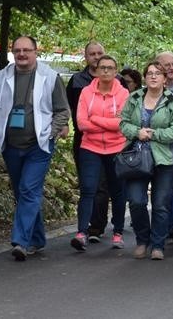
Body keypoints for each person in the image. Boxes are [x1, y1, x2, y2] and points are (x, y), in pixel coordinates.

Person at [0, 35, 70, 261]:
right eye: (17, 50)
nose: (22, 54)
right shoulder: (2, 77)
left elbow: (63, 111)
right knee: (22, 192)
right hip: (11, 145)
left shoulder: (50, 77)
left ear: (36, 52)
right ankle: (38, 239)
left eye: (26, 50)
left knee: (28, 190)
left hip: (39, 146)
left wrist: (50, 133)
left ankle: (20, 241)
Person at [121, 61, 173, 260]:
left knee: (161, 204)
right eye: (149, 73)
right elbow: (123, 123)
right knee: (137, 201)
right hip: (136, 157)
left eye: (158, 74)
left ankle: (157, 244)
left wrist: (153, 134)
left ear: (165, 79)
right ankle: (142, 240)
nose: (153, 76)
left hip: (164, 159)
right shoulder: (134, 98)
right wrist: (137, 132)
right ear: (145, 78)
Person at [66, 41, 126, 243]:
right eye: (102, 68)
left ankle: (118, 231)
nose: (106, 71)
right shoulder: (84, 89)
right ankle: (83, 231)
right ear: (97, 70)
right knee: (89, 189)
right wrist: (108, 123)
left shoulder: (123, 92)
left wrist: (97, 120)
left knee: (117, 190)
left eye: (110, 68)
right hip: (89, 146)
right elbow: (81, 123)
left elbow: (122, 123)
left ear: (115, 70)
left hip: (116, 147)